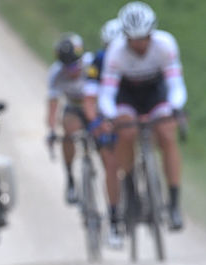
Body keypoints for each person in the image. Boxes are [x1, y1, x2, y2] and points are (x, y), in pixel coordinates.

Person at [97, 1, 187, 230]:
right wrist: (109, 116)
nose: (138, 44)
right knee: (125, 133)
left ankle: (174, 204)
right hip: (127, 95)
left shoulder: (165, 44)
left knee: (167, 134)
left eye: (143, 38)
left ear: (151, 32)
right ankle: (129, 187)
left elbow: (175, 84)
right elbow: (107, 93)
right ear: (125, 36)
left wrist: (176, 107)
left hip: (155, 93)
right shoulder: (116, 51)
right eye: (132, 39)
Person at [84, 18, 125, 247]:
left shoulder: (133, 59)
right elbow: (89, 99)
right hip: (107, 116)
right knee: (110, 164)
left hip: (128, 113)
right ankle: (115, 220)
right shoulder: (97, 62)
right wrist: (96, 121)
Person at [45, 32, 94, 205]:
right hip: (74, 108)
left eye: (75, 67)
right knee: (67, 132)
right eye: (68, 68)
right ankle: (71, 179)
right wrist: (51, 131)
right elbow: (52, 106)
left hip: (95, 107)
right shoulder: (55, 73)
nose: (72, 72)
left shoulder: (92, 64)